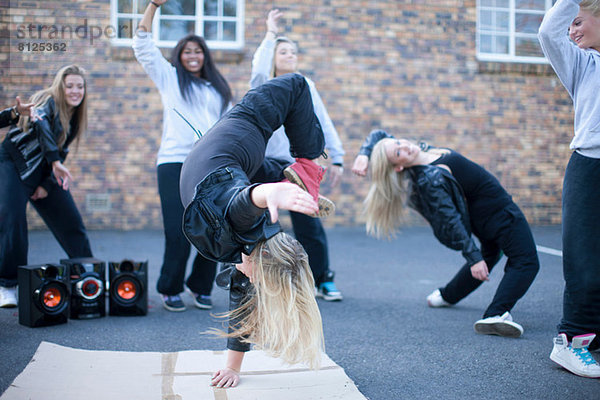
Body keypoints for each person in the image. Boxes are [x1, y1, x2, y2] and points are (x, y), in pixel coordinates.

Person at [179, 73, 328, 388]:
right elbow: (242, 204)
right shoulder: (244, 220)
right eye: (261, 281)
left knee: (253, 187)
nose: (253, 284)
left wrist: (232, 367)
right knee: (297, 84)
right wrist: (268, 194)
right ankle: (304, 169)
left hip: (234, 164)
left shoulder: (246, 254)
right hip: (241, 144)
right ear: (259, 264)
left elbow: (241, 300)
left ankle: (285, 178)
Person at [352, 130, 540, 338]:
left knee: (490, 254)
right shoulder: (429, 178)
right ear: (399, 166)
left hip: (487, 215)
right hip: (500, 214)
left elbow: (378, 134)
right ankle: (495, 315)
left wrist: (364, 154)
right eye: (398, 152)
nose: (404, 146)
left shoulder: (421, 153)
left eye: (399, 141)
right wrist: (472, 257)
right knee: (526, 261)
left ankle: (445, 295)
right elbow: (450, 219)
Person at [133, 0, 233, 312]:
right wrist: (152, 6)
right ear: (180, 56)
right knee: (178, 230)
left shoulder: (218, 90)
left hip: (209, 168)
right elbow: (142, 45)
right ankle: (170, 287)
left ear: (205, 56)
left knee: (213, 229)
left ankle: (199, 286)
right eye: (187, 51)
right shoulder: (170, 78)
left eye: (198, 51)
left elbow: (229, 129)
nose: (192, 56)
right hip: (174, 164)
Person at [248, 9, 344, 301]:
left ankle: (322, 279)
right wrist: (271, 33)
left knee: (308, 222)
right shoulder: (264, 83)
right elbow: (258, 68)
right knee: (259, 221)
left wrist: (336, 156)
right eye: (283, 51)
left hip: (296, 165)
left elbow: (322, 120)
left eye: (293, 51)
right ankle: (255, 279)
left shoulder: (306, 85)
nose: (290, 55)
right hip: (264, 164)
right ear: (273, 57)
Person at [538, 0, 600, 378]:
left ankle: (593, 340)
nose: (572, 30)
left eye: (579, 22)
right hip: (589, 166)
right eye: (570, 23)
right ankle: (570, 342)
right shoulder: (581, 64)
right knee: (584, 260)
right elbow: (548, 32)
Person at [0, 65, 93, 308]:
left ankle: (87, 275)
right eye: (69, 85)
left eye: (79, 86)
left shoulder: (74, 118)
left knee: (72, 222)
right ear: (60, 86)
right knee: (13, 220)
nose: (75, 91)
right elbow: (41, 128)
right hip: (13, 164)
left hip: (43, 173)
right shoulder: (46, 100)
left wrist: (46, 183)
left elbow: (61, 152)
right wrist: (53, 161)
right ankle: (8, 285)